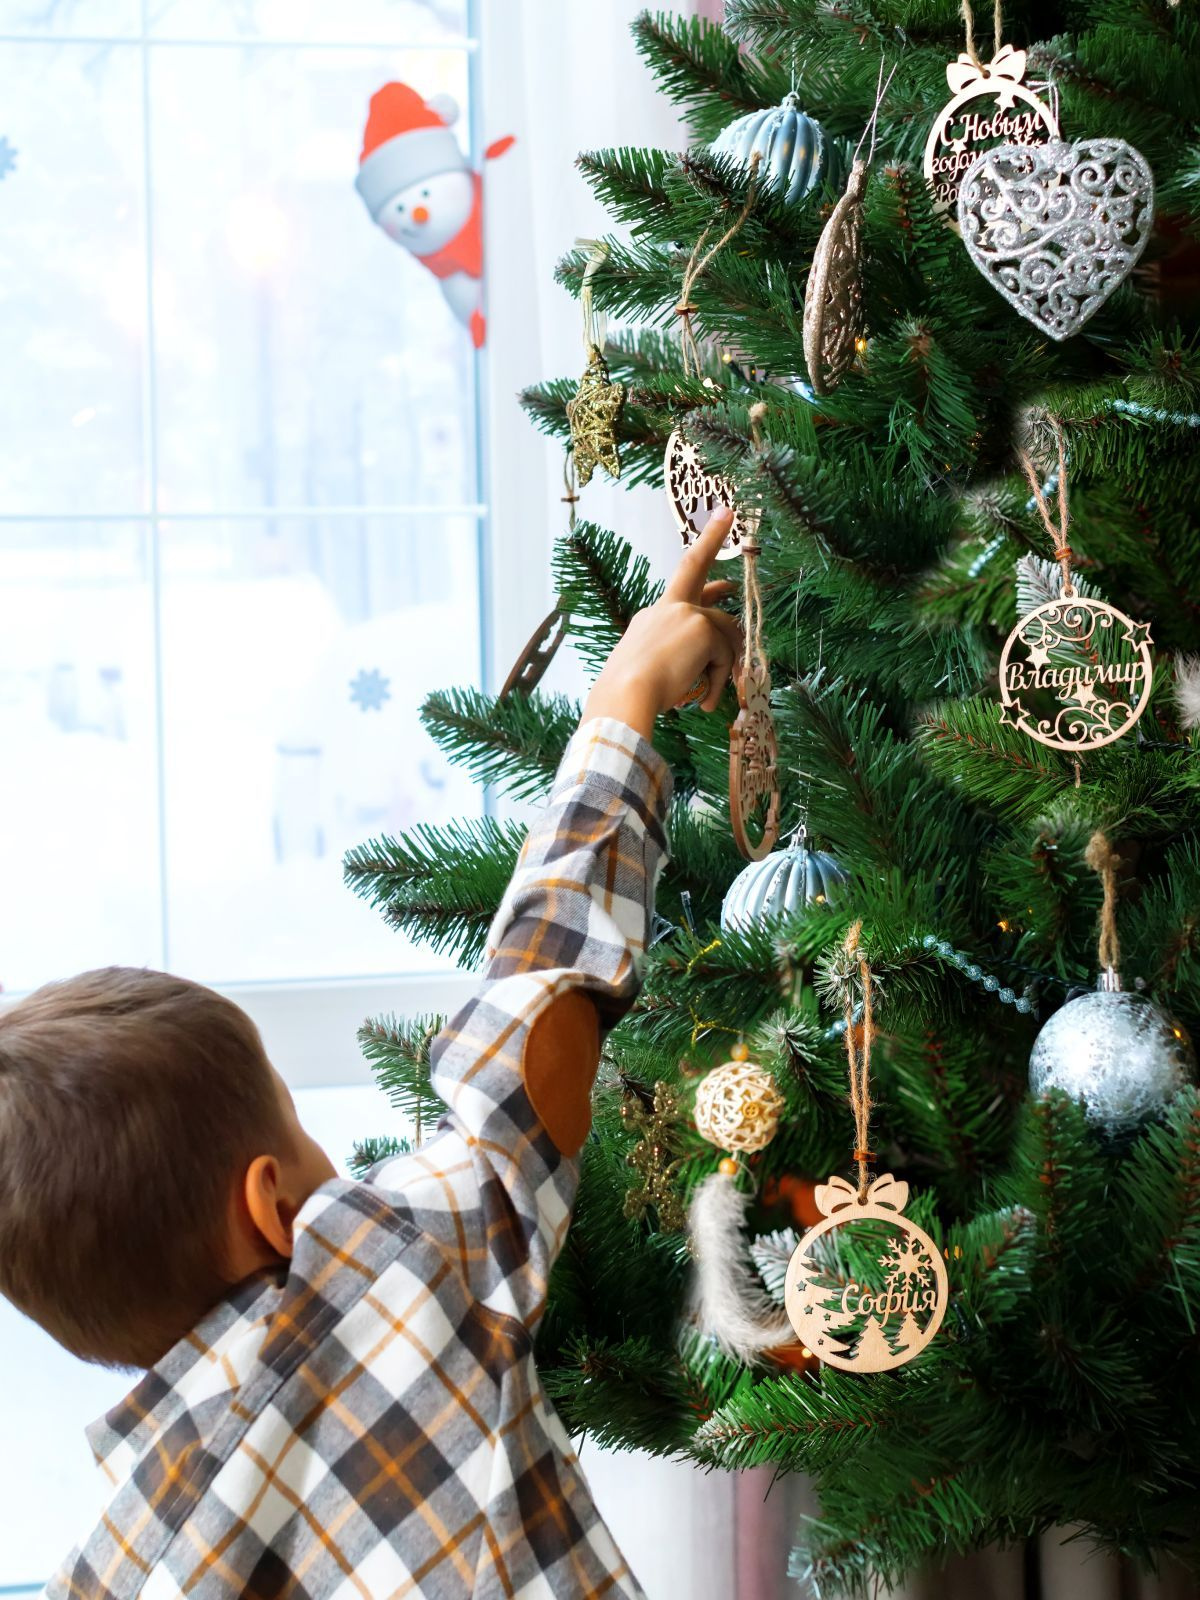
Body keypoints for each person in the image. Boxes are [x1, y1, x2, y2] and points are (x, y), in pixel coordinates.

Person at [1, 510, 741, 1599]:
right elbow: (530, 1021)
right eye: (300, 1134)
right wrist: (623, 704)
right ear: (268, 1207)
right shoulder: (382, 1275)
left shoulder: (117, 1562)